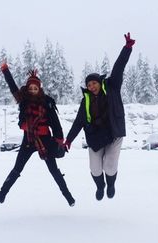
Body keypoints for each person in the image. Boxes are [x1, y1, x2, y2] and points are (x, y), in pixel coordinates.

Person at [0, 64, 75, 207]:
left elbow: (55, 123)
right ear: (28, 89)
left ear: (39, 89)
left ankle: (68, 196)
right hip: (29, 140)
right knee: (17, 169)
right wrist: (5, 70)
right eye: (30, 88)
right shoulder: (23, 100)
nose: (33, 90)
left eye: (35, 88)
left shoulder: (47, 102)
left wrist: (59, 141)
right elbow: (13, 87)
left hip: (45, 141)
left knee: (54, 170)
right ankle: (0, 196)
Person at [64, 32, 135, 201]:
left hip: (113, 133)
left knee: (110, 167)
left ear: (99, 82)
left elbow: (119, 68)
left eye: (94, 83)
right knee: (95, 169)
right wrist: (69, 140)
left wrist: (127, 49)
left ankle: (110, 184)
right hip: (95, 137)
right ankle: (100, 186)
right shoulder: (86, 101)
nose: (92, 86)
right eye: (89, 84)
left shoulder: (112, 87)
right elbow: (78, 122)